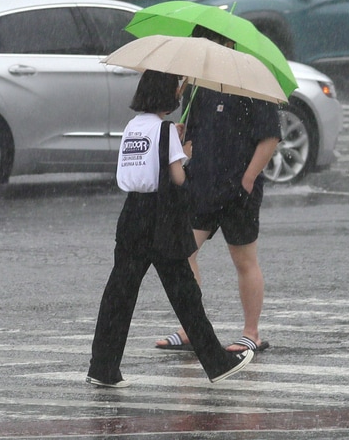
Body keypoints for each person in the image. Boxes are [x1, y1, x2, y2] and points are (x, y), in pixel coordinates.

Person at [88, 70, 255, 387]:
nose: (180, 93)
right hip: (161, 216)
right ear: (165, 95)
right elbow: (177, 178)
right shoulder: (164, 131)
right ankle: (217, 362)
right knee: (185, 293)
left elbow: (137, 165)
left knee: (119, 294)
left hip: (132, 214)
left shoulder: (133, 127)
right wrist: (184, 151)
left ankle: (102, 367)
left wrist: (171, 141)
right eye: (176, 88)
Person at [156, 26, 280, 356]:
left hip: (237, 190)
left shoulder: (251, 81)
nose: (204, 49)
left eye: (208, 42)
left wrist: (248, 179)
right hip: (201, 185)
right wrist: (181, 140)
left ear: (226, 43)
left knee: (244, 260)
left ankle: (251, 333)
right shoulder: (199, 86)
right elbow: (191, 137)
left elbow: (270, 137)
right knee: (183, 255)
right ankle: (190, 327)